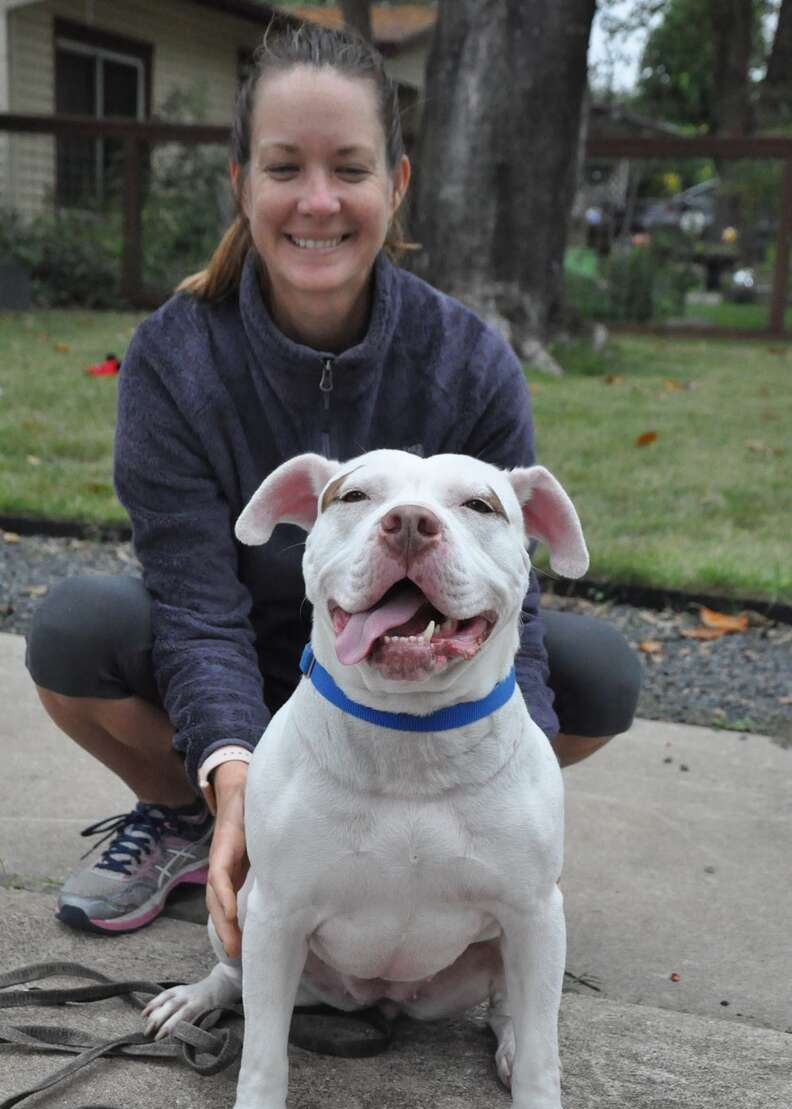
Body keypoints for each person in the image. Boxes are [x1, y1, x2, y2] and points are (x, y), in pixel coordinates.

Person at [26, 21, 641, 958]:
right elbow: (195, 608)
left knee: (597, 676)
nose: (318, 201)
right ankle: (185, 815)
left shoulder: (470, 361)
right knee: (75, 629)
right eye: (284, 168)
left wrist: (526, 825)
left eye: (349, 169)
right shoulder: (172, 357)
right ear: (241, 184)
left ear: (395, 185)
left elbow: (510, 591)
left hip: (410, 679)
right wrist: (238, 784)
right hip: (245, 670)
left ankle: (429, 836)